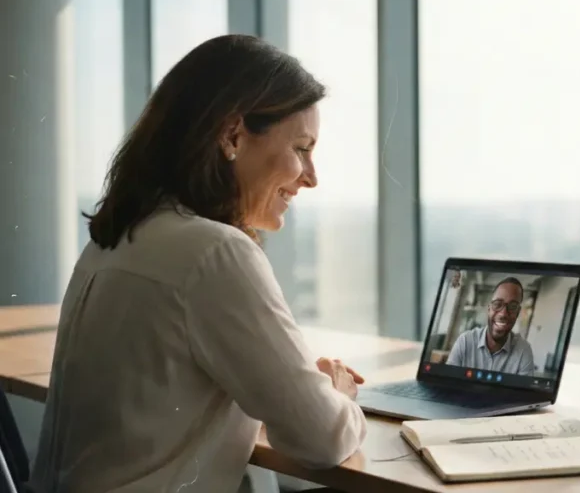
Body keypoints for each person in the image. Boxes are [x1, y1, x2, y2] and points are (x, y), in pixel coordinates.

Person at [29, 35, 367, 492]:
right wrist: (339, 393)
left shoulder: (119, 237)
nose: (311, 176)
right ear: (232, 135)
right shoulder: (215, 252)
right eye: (302, 148)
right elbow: (322, 438)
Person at [446, 277, 536, 375]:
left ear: (518, 313)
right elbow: (447, 383)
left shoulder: (523, 351)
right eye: (497, 304)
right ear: (489, 309)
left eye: (513, 307)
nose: (503, 314)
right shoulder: (465, 341)